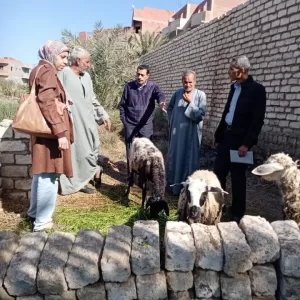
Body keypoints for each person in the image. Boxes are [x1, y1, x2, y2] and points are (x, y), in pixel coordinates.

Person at [213, 55, 267, 223]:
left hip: (240, 141)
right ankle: (217, 206)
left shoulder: (257, 90)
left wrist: (247, 144)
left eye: (232, 69)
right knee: (218, 173)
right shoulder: (234, 87)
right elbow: (228, 112)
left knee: (238, 178)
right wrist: (218, 134)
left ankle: (237, 213)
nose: (229, 72)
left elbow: (257, 120)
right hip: (226, 137)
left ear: (242, 70)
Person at [27, 40, 73, 232]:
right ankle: (43, 222)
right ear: (51, 54)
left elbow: (46, 98)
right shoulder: (48, 71)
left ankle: (34, 214)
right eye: (62, 57)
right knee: (49, 176)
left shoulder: (38, 69)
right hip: (50, 134)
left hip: (44, 132)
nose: (65, 62)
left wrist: (62, 101)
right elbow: (46, 101)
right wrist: (60, 133)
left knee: (41, 174)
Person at [58, 46, 111, 195]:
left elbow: (92, 99)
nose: (89, 65)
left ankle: (88, 177)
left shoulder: (86, 77)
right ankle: (73, 184)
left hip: (88, 122)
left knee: (90, 151)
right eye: (87, 62)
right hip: (72, 123)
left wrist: (103, 115)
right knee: (75, 154)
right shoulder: (64, 74)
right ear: (78, 60)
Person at [119, 64, 166, 176]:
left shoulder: (152, 87)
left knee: (145, 151)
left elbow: (159, 94)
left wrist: (162, 102)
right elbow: (122, 105)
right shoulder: (129, 87)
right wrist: (125, 122)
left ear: (147, 76)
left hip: (145, 126)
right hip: (130, 124)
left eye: (142, 75)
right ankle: (130, 176)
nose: (139, 77)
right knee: (130, 151)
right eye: (138, 74)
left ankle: (143, 177)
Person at [166, 70, 207, 196]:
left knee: (189, 161)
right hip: (177, 135)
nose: (187, 85)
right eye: (185, 82)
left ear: (195, 82)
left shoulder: (200, 95)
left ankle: (188, 190)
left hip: (191, 136)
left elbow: (200, 115)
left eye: (190, 82)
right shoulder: (178, 93)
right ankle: (173, 187)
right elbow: (170, 108)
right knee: (175, 158)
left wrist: (190, 103)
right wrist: (173, 124)